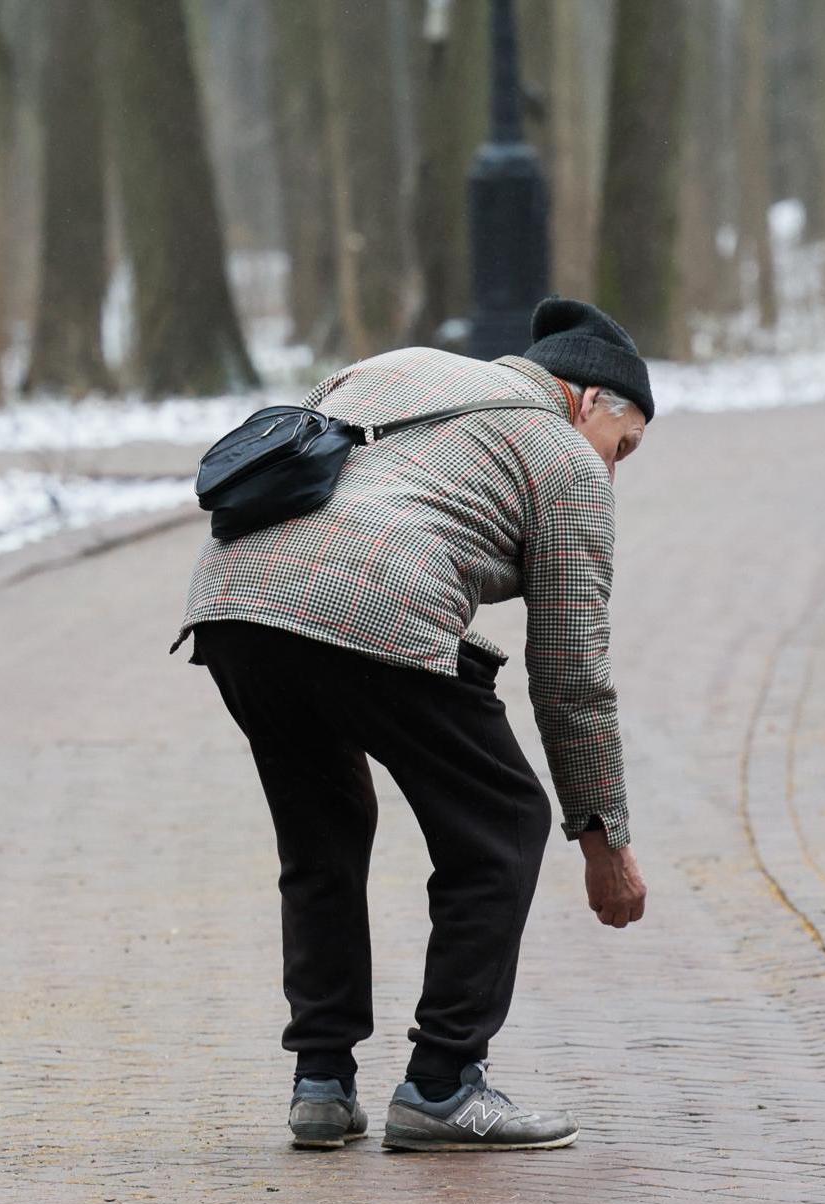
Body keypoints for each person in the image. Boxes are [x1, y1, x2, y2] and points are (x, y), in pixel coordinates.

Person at [172, 297, 652, 1152]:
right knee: (503, 822)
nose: (613, 473)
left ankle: (321, 1079)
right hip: (369, 605)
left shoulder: (395, 366)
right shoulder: (565, 461)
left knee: (323, 827)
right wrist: (602, 837)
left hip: (232, 599)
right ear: (587, 401)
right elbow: (572, 674)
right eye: (624, 447)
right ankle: (443, 1082)